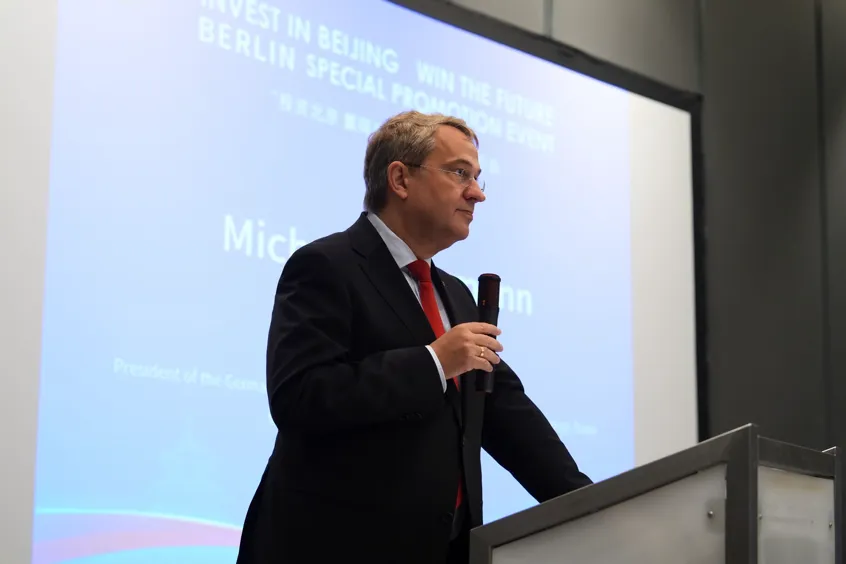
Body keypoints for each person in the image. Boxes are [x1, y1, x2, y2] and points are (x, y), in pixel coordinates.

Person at [236, 110, 592, 564]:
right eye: (460, 173)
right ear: (400, 179)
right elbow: (300, 396)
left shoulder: (456, 295)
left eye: (477, 177)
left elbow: (504, 412)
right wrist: (434, 363)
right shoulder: (326, 266)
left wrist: (590, 506)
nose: (477, 193)